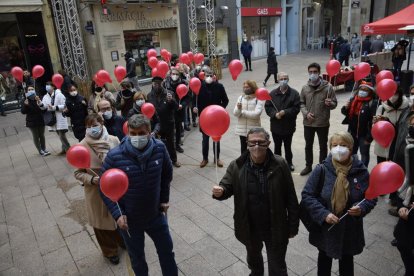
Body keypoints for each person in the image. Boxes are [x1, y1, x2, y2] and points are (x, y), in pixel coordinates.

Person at [212, 127, 299, 276]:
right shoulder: (237, 165)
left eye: (260, 142)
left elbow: (291, 197)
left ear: (268, 143)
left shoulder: (280, 164)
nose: (256, 146)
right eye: (252, 143)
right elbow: (226, 186)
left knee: (277, 266)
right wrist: (221, 192)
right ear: (247, 144)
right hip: (249, 227)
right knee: (254, 263)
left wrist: (292, 226)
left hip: (275, 226)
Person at [100, 114, 178, 275]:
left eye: (141, 133)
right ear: (127, 132)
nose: (137, 137)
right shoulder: (114, 156)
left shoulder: (160, 148)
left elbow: (167, 174)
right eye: (133, 133)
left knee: (167, 253)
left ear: (149, 132)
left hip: (156, 215)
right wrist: (117, 214)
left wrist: (164, 199)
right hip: (130, 221)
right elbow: (104, 187)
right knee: (137, 258)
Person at [301, 131, 377, 276]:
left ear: (351, 148)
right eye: (335, 145)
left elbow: (371, 197)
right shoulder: (321, 169)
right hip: (326, 228)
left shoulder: (361, 171)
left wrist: (362, 208)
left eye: (343, 145)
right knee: (324, 261)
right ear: (330, 147)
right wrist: (323, 214)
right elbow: (307, 195)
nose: (339, 149)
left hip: (350, 230)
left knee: (347, 262)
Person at [74, 113, 125, 265]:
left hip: (116, 188)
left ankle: (122, 242)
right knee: (101, 224)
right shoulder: (81, 147)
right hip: (96, 193)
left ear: (102, 124)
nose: (91, 129)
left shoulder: (114, 140)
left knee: (119, 218)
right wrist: (91, 179)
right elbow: (78, 173)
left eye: (94, 125)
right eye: (88, 127)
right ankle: (109, 251)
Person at [300, 63, 337, 176]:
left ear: (319, 72)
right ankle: (308, 165)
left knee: (323, 146)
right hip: (308, 123)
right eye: (310, 72)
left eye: (315, 72)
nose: (313, 74)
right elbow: (301, 103)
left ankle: (322, 167)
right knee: (308, 145)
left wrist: (330, 103)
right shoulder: (305, 88)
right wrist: (306, 114)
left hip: (322, 122)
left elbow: (335, 103)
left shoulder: (328, 87)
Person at [193, 69, 229, 168]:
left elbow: (225, 100)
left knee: (216, 139)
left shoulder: (219, 86)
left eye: (210, 75)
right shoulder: (199, 87)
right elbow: (194, 101)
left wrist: (220, 110)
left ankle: (217, 158)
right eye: (207, 75)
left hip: (216, 119)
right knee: (205, 140)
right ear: (203, 76)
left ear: (214, 76)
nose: (209, 77)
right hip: (204, 118)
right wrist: (195, 108)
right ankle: (205, 158)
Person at [265, 72, 300, 171]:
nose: (283, 80)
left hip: (289, 126)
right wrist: (274, 114)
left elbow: (296, 108)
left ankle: (289, 163)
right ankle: (277, 163)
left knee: (288, 147)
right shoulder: (272, 93)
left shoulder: (294, 93)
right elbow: (268, 107)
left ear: (288, 80)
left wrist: (285, 112)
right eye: (281, 78)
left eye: (285, 78)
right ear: (278, 80)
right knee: (277, 146)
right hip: (276, 126)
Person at [341, 82, 377, 167]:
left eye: (365, 90)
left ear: (370, 92)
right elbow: (346, 113)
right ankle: (352, 169)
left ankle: (363, 172)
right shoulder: (354, 99)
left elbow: (374, 121)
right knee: (352, 153)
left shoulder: (372, 103)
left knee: (364, 154)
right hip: (352, 133)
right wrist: (345, 107)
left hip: (364, 135)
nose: (362, 91)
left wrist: (369, 138)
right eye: (361, 89)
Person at [147, 76, 181, 168]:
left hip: (168, 123)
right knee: (158, 144)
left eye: (159, 83)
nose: (157, 85)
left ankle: (174, 160)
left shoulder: (169, 93)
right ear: (152, 84)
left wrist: (172, 101)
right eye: (155, 84)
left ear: (162, 83)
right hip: (156, 124)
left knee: (170, 143)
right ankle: (162, 161)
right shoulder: (149, 95)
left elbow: (176, 107)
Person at [373, 87, 410, 164]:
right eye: (390, 94)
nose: (392, 96)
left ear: (400, 94)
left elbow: (403, 130)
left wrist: (388, 122)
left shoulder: (407, 109)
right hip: (383, 149)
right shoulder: (382, 108)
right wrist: (376, 123)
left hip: (399, 149)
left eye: (395, 94)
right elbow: (375, 129)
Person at [233, 80, 264, 154]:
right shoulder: (240, 98)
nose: (245, 88)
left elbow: (256, 114)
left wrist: (242, 112)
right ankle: (243, 164)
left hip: (253, 130)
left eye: (247, 87)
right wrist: (238, 108)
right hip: (242, 129)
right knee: (243, 149)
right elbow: (235, 113)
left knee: (253, 149)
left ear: (252, 87)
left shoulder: (258, 98)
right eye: (244, 87)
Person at [162, 67, 188, 153]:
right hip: (169, 110)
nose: (175, 76)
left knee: (178, 128)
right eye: (173, 74)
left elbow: (187, 98)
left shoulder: (183, 83)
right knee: (169, 129)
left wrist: (182, 105)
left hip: (179, 109)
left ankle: (177, 145)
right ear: (170, 74)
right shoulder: (165, 84)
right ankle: (170, 145)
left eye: (177, 74)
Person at [41, 82, 70, 155]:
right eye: (46, 86)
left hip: (60, 117)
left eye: (49, 86)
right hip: (53, 118)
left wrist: (54, 107)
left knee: (61, 135)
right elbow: (43, 107)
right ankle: (64, 149)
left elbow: (64, 105)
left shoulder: (59, 95)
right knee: (59, 134)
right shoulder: (45, 97)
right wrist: (39, 103)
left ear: (53, 87)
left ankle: (69, 149)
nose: (47, 87)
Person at [21, 85, 50, 156]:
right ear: (27, 91)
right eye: (29, 89)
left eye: (32, 89)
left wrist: (39, 101)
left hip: (40, 119)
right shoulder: (25, 100)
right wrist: (26, 105)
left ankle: (44, 148)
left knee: (42, 135)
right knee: (36, 136)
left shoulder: (37, 97)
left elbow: (44, 109)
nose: (31, 91)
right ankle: (40, 150)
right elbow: (23, 112)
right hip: (31, 121)